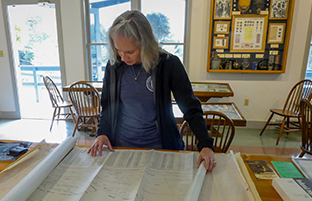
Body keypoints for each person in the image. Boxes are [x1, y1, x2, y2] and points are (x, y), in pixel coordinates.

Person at [88, 10, 216, 172]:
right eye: (118, 50)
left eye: (129, 52)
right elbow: (107, 106)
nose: (123, 57)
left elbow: (191, 108)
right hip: (121, 148)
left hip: (161, 148)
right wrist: (102, 133)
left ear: (146, 44)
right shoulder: (114, 66)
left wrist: (205, 145)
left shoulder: (168, 64)